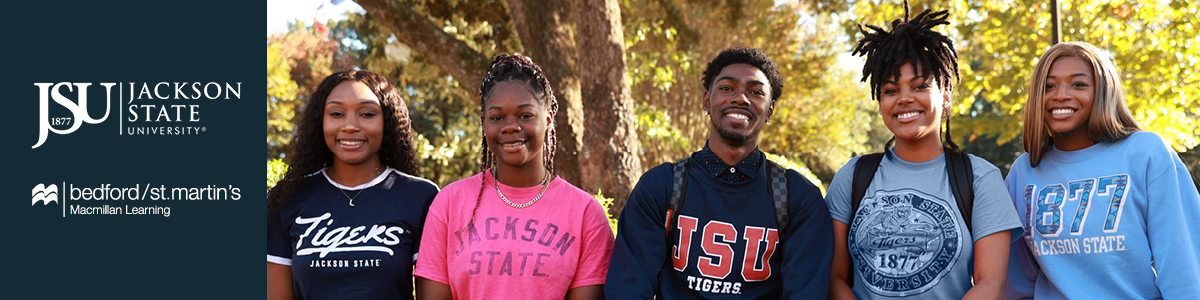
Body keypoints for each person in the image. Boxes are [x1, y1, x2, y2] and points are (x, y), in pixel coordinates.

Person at [824, 3, 1022, 299]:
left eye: (919, 86)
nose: (904, 99)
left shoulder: (980, 178)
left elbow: (990, 283)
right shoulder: (853, 176)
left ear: (944, 96)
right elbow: (833, 276)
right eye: (891, 90)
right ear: (880, 103)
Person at [606, 47, 833, 299]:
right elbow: (628, 287)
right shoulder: (662, 186)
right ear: (706, 100)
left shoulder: (798, 198)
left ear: (769, 111)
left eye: (756, 92)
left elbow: (806, 293)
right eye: (727, 88)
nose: (740, 99)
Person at [1003, 41, 1200, 299]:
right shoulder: (1023, 172)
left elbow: (1183, 264)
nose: (1060, 95)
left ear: (1103, 92)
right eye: (1049, 86)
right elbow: (1015, 281)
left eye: (1078, 84)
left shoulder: (1145, 153)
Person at [413, 53, 614, 300]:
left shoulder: (586, 214)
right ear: (485, 123)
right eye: (497, 118)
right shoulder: (450, 203)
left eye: (525, 115)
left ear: (548, 118)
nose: (510, 126)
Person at [267, 70, 439, 299]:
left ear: (387, 122)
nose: (350, 126)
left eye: (367, 114)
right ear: (320, 122)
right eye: (336, 113)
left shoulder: (420, 196)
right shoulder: (288, 197)